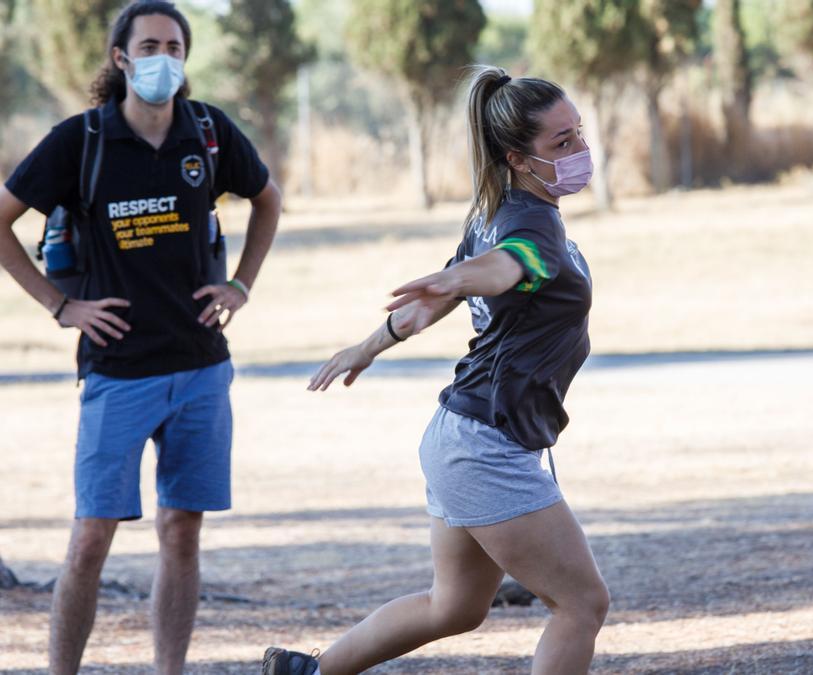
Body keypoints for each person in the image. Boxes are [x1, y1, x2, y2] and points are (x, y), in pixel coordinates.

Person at [263, 65, 609, 675]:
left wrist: (367, 346)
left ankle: (306, 673)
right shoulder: (526, 225)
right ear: (517, 157)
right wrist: (460, 277)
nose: (580, 150)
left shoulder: (495, 211)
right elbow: (507, 268)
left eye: (578, 133)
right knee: (580, 604)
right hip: (485, 446)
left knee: (453, 606)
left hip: (462, 435)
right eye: (562, 143)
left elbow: (435, 300)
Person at [0, 2, 281, 673]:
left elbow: (267, 199)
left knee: (181, 532)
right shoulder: (82, 140)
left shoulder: (208, 132)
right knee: (90, 539)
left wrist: (240, 284)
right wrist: (59, 305)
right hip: (117, 368)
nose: (165, 58)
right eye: (150, 44)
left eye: (176, 46)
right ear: (121, 58)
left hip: (202, 365)